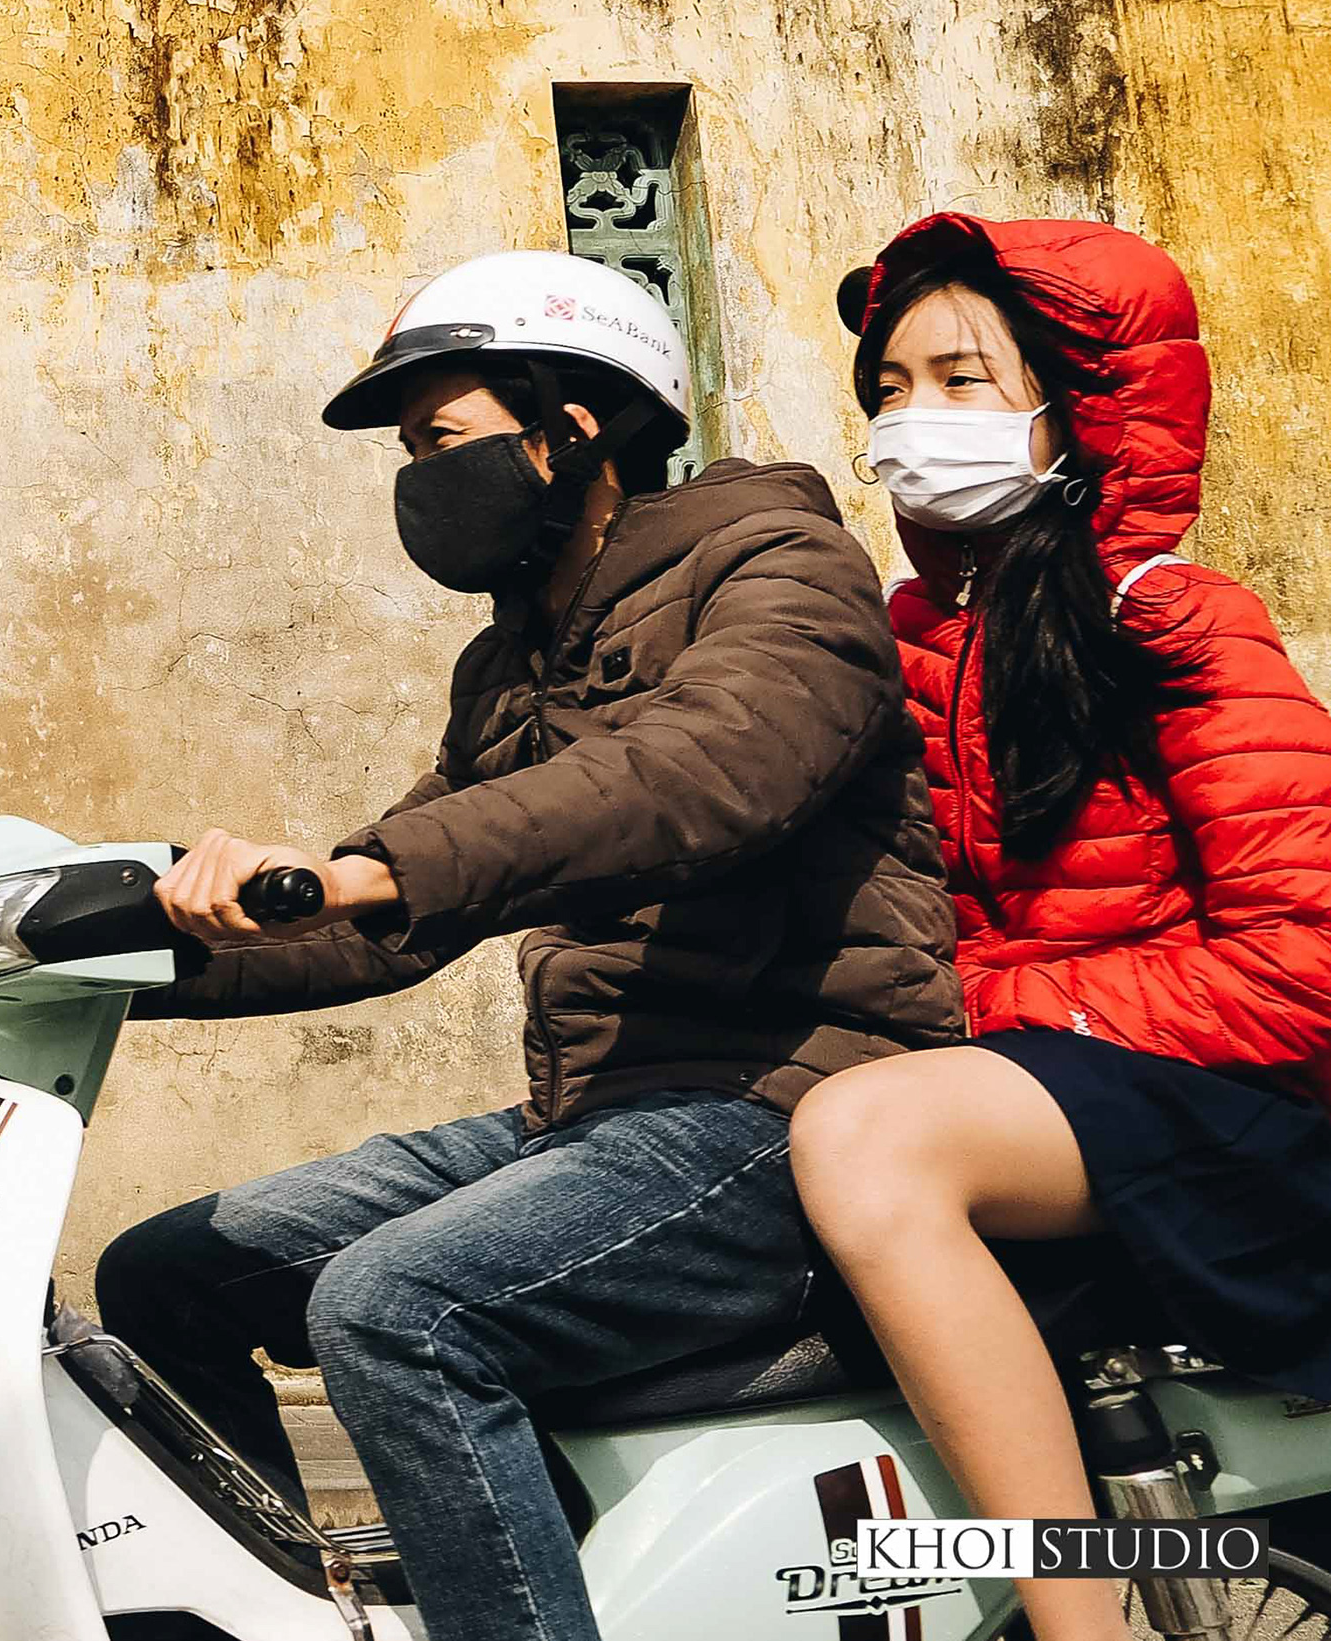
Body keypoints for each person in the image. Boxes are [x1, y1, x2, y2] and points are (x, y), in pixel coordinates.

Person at [90, 250, 963, 1641]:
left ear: (572, 429)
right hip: (597, 1112)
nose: (415, 479)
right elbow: (398, 909)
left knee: (395, 1310)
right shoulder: (513, 663)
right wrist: (115, 962)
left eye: (440, 439)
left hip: (789, 1101)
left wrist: (363, 866)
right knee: (167, 1271)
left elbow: (702, 772)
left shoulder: (781, 566)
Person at [794, 216, 1331, 1641]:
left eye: (964, 382)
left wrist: (992, 999)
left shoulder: (1181, 624)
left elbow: (1305, 967)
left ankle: (1079, 1621)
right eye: (889, 391)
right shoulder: (894, 640)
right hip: (1051, 1075)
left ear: (1078, 410)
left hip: (1232, 1101)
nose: (915, 422)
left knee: (866, 1136)